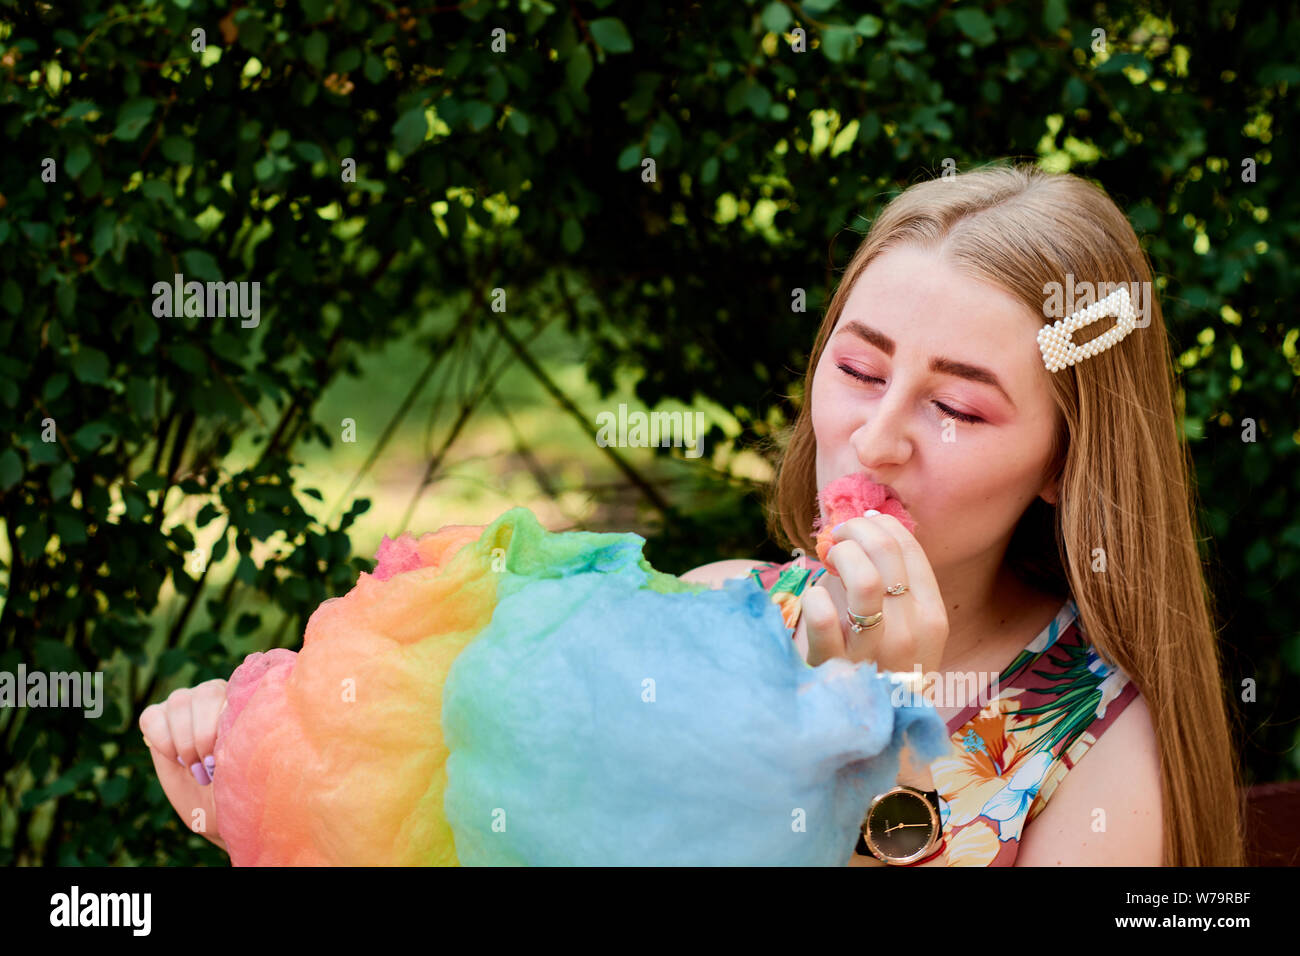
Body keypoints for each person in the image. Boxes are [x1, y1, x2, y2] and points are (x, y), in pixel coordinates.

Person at [682, 161, 1246, 866]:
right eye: (860, 370)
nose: (876, 441)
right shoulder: (709, 613)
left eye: (956, 409)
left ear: (1062, 462)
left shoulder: (1104, 753)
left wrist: (875, 765)